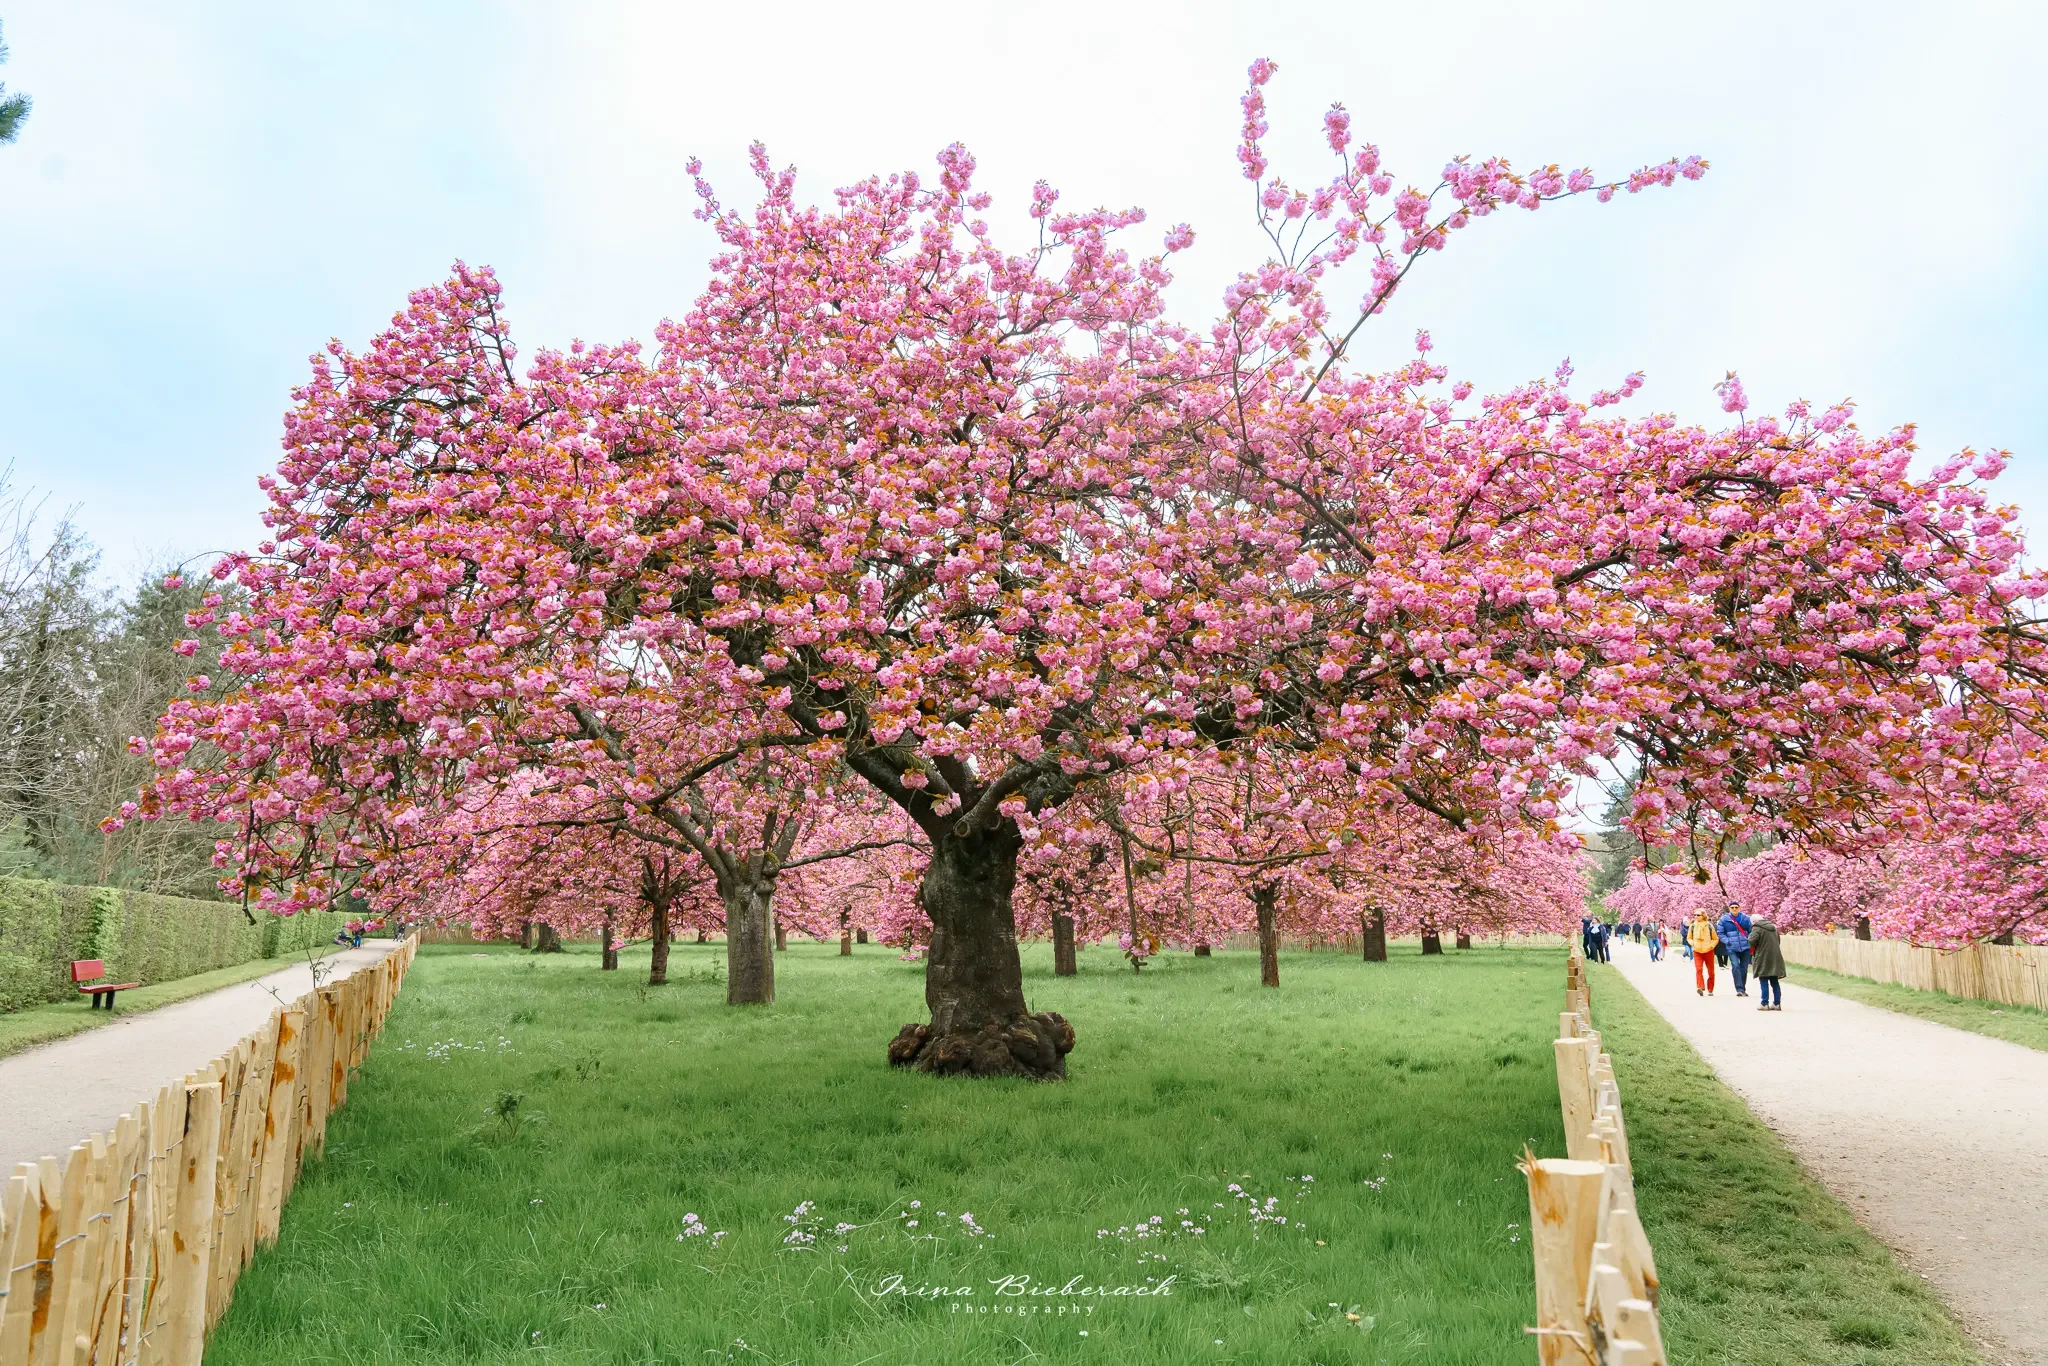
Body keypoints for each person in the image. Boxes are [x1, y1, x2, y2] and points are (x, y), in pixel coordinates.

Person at [1717, 902, 1754, 997]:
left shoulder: (1746, 919)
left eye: (1736, 907)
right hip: (1732, 947)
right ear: (1729, 908)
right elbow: (1720, 933)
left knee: (1744, 968)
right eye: (1732, 907)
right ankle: (1739, 989)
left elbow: (1752, 931)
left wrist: (1748, 940)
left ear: (1739, 908)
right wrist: (1727, 941)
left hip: (1745, 947)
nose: (1734, 909)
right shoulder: (1724, 920)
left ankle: (1743, 988)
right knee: (1735, 966)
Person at [1750, 915, 1785, 1010]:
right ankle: (1777, 1003)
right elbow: (1778, 940)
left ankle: (1764, 1003)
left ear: (1754, 921)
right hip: (1775, 957)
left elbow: (1751, 941)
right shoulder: (1773, 927)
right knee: (1774, 981)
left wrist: (1755, 947)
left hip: (1762, 957)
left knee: (1763, 980)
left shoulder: (1757, 928)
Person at [1687, 911, 1719, 994]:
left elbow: (1715, 939)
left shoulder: (1709, 925)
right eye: (1695, 915)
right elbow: (1689, 938)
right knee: (1699, 969)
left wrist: (1711, 946)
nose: (1696, 916)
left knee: (1711, 972)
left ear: (1703, 916)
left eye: (1698, 915)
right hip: (1697, 951)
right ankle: (1700, 987)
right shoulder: (1693, 926)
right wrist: (1693, 943)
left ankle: (1710, 989)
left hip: (1708, 951)